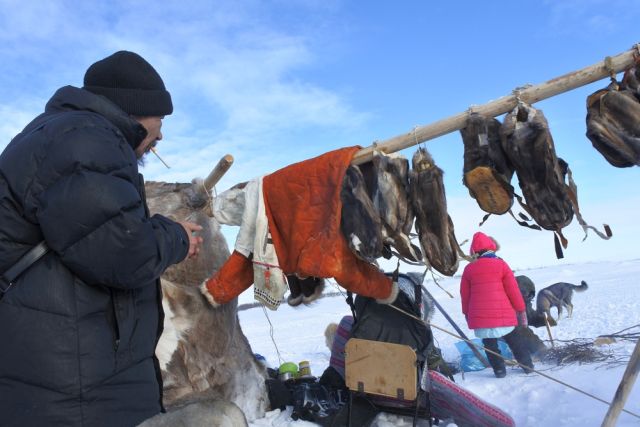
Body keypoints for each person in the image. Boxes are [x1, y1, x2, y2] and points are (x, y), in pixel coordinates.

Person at [0, 51, 203, 427]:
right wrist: (174, 236)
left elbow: (93, 233)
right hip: (72, 387)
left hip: (61, 372)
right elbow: (123, 252)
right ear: (136, 111)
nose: (161, 132)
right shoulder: (86, 139)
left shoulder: (61, 134)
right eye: (160, 119)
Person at [460, 231, 533, 378]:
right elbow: (513, 291)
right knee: (515, 341)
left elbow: (464, 295)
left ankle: (499, 371)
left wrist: (467, 313)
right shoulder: (501, 264)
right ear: (491, 247)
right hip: (504, 314)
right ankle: (527, 366)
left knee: (490, 345)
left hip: (481, 317)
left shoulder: (469, 269)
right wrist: (520, 309)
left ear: (474, 251)